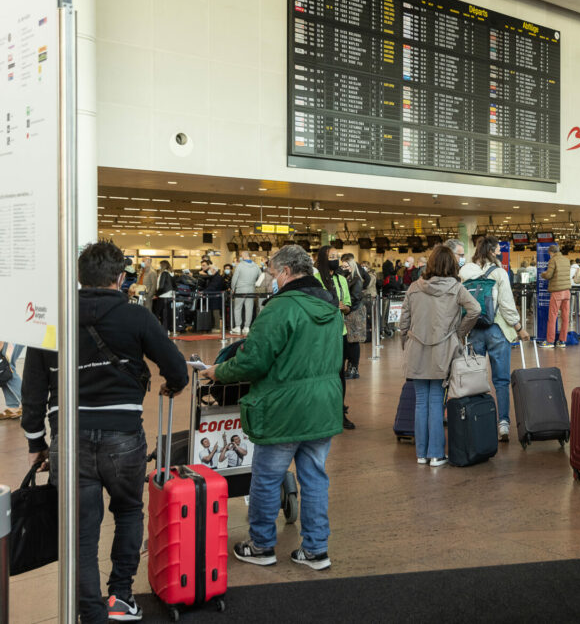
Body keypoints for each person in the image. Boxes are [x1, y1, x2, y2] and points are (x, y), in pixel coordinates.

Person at [22, 241, 188, 623]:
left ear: (79, 277)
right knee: (128, 511)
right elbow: (174, 366)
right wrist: (173, 385)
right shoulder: (136, 316)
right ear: (120, 277)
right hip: (123, 438)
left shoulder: (51, 320)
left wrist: (36, 442)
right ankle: (120, 598)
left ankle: (90, 612)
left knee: (81, 529)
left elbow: (33, 390)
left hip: (70, 438)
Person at [201, 245, 345, 571]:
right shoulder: (331, 307)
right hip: (323, 405)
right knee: (315, 478)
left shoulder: (280, 308)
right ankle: (316, 550)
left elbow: (253, 361)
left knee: (266, 479)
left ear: (284, 272)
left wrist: (217, 372)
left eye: (270, 272)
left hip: (283, 409)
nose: (268, 279)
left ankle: (262, 545)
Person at [400, 246, 480, 466]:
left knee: (420, 403)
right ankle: (436, 454)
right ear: (452, 264)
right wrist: (458, 334)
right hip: (443, 350)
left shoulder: (414, 287)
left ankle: (421, 454)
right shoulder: (456, 288)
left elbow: (403, 322)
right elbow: (475, 310)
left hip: (416, 350)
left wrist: (405, 344)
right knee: (436, 401)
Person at [460, 236, 531, 442]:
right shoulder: (500, 273)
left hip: (474, 330)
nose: (500, 252)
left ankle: (477, 419)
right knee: (501, 380)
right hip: (497, 329)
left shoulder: (465, 272)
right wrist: (519, 327)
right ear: (491, 251)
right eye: (498, 249)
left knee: (476, 378)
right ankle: (503, 424)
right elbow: (507, 306)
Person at [314, 246, 354, 430]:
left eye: (337, 256)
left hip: (341, 333)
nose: (336, 259)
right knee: (322, 374)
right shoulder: (315, 280)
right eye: (332, 256)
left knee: (339, 375)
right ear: (323, 258)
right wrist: (332, 305)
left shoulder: (341, 279)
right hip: (322, 334)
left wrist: (343, 307)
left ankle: (339, 412)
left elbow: (347, 304)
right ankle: (321, 412)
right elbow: (315, 304)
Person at [540, 244, 572, 347]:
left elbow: (549, 275)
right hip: (567, 292)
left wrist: (542, 274)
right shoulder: (566, 260)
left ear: (551, 252)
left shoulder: (553, 260)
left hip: (557, 292)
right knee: (565, 317)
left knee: (553, 317)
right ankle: (562, 341)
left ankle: (550, 341)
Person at [340, 253, 366, 379]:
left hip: (355, 312)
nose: (344, 269)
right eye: (342, 266)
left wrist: (345, 306)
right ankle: (349, 367)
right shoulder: (347, 278)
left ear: (351, 266)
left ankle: (353, 368)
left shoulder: (357, 280)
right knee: (348, 342)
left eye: (346, 266)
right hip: (349, 312)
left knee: (354, 342)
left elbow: (354, 298)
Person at [230, 252, 261, 335]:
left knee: (237, 307)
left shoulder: (240, 265)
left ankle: (237, 326)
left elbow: (234, 278)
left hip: (240, 289)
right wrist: (255, 284)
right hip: (251, 289)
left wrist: (233, 288)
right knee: (249, 308)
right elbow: (261, 276)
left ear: (243, 256)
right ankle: (247, 327)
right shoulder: (256, 265)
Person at [1, 342, 24, 419]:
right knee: (4, 368)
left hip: (11, 337)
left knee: (6, 367)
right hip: (10, 337)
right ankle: (13, 406)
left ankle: (29, 404)